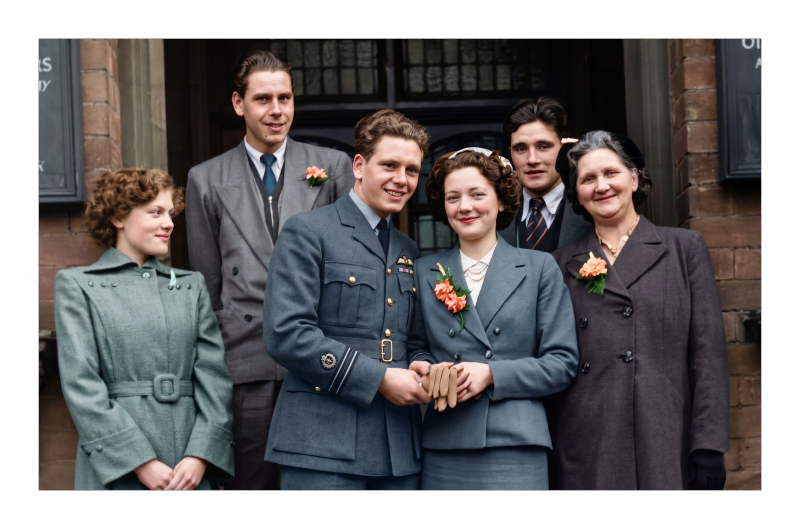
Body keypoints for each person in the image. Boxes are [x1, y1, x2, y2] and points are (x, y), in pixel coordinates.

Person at [185, 50, 354, 489]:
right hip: (246, 358)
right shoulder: (205, 178)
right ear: (239, 104)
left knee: (318, 485)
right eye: (263, 99)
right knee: (252, 486)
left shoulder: (333, 167)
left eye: (285, 98)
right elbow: (207, 280)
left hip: (319, 353)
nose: (276, 111)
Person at [548, 131, 730, 489]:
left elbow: (707, 354)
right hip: (587, 440)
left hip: (663, 435)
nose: (601, 186)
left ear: (634, 178)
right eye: (588, 179)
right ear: (577, 194)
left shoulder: (683, 248)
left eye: (610, 173)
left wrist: (708, 444)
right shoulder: (560, 263)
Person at [262, 109, 432, 489]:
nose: (401, 180)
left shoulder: (407, 248)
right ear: (359, 165)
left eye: (411, 170)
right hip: (322, 442)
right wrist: (378, 378)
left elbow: (414, 340)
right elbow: (286, 333)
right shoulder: (308, 231)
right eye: (389, 165)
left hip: (398, 448)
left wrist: (422, 365)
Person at [405, 148, 579, 490]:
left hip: (516, 441)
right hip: (444, 441)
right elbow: (415, 347)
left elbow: (562, 363)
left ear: (501, 201)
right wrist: (426, 368)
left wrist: (490, 374)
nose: (464, 206)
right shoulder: (423, 270)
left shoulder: (539, 267)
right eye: (453, 197)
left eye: (477, 194)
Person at [54, 168, 234, 490]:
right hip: (118, 466)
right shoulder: (78, 286)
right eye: (156, 212)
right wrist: (138, 461)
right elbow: (82, 386)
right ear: (119, 217)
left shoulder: (191, 286)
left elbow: (214, 379)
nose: (169, 223)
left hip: (188, 466)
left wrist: (201, 454)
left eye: (170, 213)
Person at [498, 97, 593, 252]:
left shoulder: (592, 210)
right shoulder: (494, 215)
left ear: (565, 149)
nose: (532, 159)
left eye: (543, 146)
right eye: (521, 149)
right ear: (511, 153)